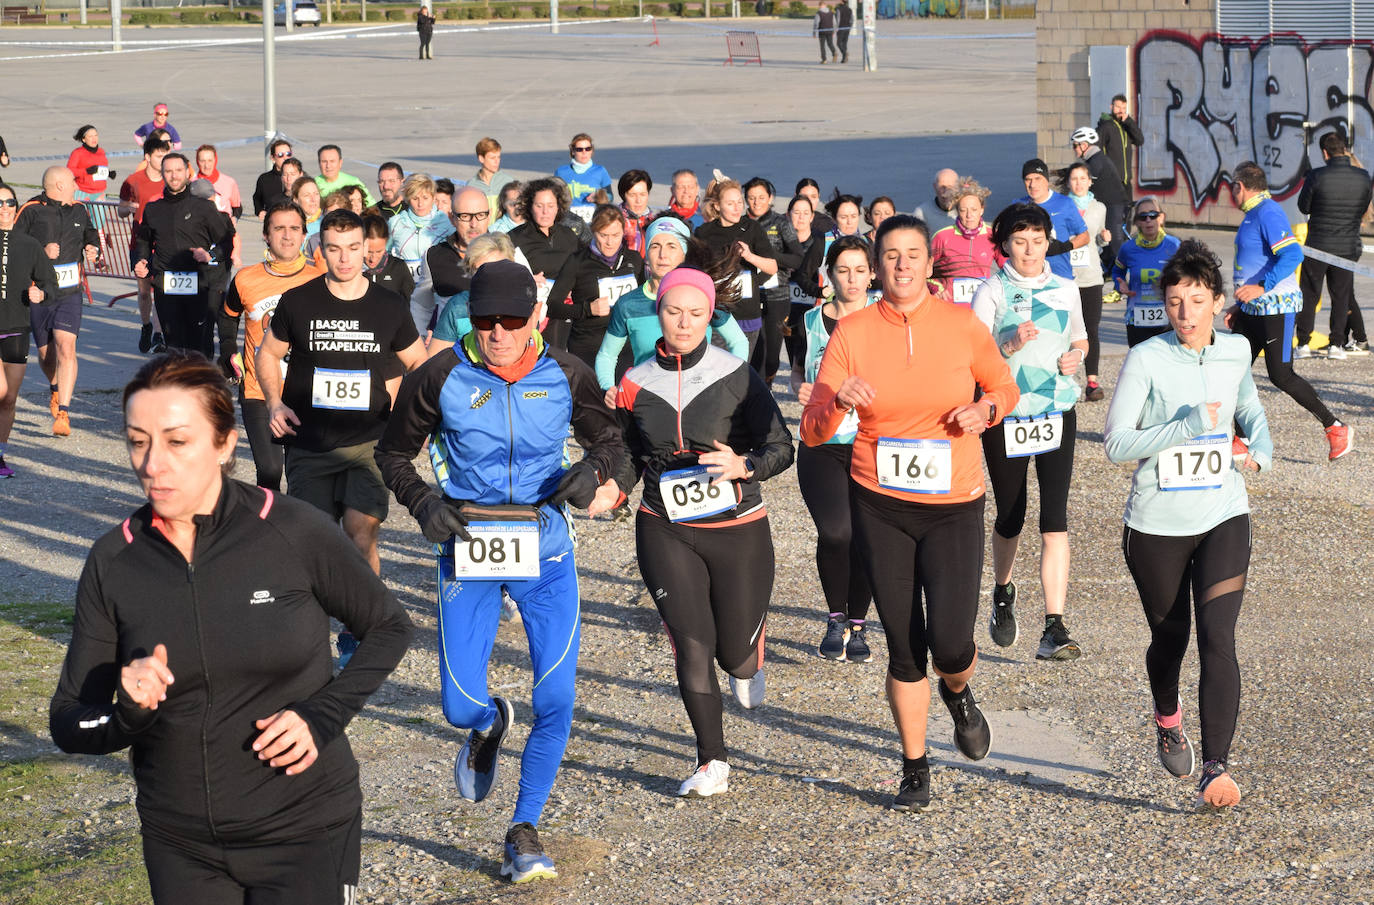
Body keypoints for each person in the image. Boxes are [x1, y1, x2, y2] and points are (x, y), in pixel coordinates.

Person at [49, 350, 413, 905]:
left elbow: (388, 626)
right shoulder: (113, 560)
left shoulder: (293, 531)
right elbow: (70, 722)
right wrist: (128, 708)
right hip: (180, 843)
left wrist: (320, 717)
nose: (152, 464)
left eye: (176, 441)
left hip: (306, 831)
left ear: (224, 445)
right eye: (137, 441)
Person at [375, 259, 625, 883]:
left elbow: (612, 441)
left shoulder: (567, 372)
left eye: (512, 320)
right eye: (485, 320)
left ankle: (524, 828)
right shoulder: (440, 374)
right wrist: (425, 501)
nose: (499, 333)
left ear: (535, 318)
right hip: (469, 545)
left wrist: (593, 473)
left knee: (557, 696)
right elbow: (392, 452)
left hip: (545, 551)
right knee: (459, 705)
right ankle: (488, 724)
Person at [800, 214, 1020, 811]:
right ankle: (915, 765)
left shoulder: (961, 324)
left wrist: (986, 413)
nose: (901, 265)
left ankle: (959, 692)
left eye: (912, 254)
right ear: (876, 266)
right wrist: (836, 402)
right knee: (903, 644)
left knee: (950, 644)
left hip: (953, 505)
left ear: (931, 262)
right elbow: (814, 428)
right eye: (890, 255)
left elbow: (1004, 386)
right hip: (880, 503)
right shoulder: (852, 333)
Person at [612, 265, 794, 797]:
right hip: (663, 524)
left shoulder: (737, 373)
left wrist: (745, 466)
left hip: (737, 526)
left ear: (711, 315)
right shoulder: (634, 381)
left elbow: (782, 448)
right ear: (659, 313)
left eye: (696, 313)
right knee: (692, 644)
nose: (684, 322)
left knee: (732, 653)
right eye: (674, 311)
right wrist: (614, 488)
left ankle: (749, 658)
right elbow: (627, 452)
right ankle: (712, 761)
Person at [1104, 238, 1271, 812]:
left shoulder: (1235, 350)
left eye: (1196, 300)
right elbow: (1117, 444)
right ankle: (1167, 716)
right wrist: (1188, 425)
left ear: (1217, 302)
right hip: (1156, 525)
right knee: (1171, 637)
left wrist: (1262, 448)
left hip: (1223, 512)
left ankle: (1217, 768)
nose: (1185, 312)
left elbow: (1247, 403)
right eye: (1175, 300)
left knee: (1218, 636)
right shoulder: (1147, 359)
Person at [257, 208, 426, 589]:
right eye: (334, 249)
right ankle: (313, 627)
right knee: (313, 541)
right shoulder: (298, 302)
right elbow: (267, 353)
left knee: (360, 531)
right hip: (309, 441)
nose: (345, 258)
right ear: (321, 250)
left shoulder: (389, 305)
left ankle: (359, 627)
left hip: (369, 440)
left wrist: (413, 416)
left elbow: (418, 362)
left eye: (353, 247)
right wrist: (273, 402)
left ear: (367, 247)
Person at [973, 202, 1089, 662]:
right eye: (1019, 241)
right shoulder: (992, 289)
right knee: (1011, 515)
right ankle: (1002, 591)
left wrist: (1076, 358)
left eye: (1037, 241)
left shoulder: (1065, 287)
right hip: (1007, 415)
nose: (1029, 250)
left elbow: (1080, 338)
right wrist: (1009, 343)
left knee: (1054, 519)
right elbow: (975, 356)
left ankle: (1054, 626)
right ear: (1004, 244)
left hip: (1057, 411)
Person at [1226, 161, 1351, 461]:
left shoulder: (1267, 211)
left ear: (1240, 186)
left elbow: (1292, 253)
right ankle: (1239, 440)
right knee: (1235, 370)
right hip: (1252, 309)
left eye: (1232, 186)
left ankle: (1335, 427)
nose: (1231, 192)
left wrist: (1261, 287)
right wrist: (1240, 303)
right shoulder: (1252, 214)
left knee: (1281, 376)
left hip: (1275, 309)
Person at [791, 236, 874, 661]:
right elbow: (795, 373)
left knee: (865, 536)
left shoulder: (884, 321)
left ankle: (858, 625)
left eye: (861, 270)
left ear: (872, 274)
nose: (852, 278)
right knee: (835, 531)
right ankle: (835, 617)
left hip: (872, 443)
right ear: (829, 274)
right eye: (844, 270)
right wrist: (799, 388)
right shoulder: (808, 321)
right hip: (821, 441)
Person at [218, 200, 326, 490]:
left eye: (294, 228)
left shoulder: (321, 280)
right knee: (269, 470)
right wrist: (228, 349)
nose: (287, 236)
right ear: (266, 235)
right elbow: (227, 316)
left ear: (304, 234)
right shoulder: (245, 278)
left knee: (304, 475)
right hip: (259, 390)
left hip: (307, 391)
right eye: (279, 228)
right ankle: (268, 528)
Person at [594, 216, 749, 394]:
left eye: (671, 246)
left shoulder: (701, 294)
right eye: (655, 246)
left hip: (697, 397)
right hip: (647, 399)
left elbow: (738, 341)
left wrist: (732, 383)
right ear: (646, 254)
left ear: (684, 253)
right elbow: (607, 355)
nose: (662, 255)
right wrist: (608, 388)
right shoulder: (628, 304)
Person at [17, 166, 101, 436]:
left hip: (69, 293)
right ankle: (55, 388)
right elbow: (14, 247)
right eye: (72, 182)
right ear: (60, 185)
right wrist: (40, 252)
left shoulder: (78, 209)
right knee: (46, 355)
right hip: (39, 294)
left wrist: (93, 247)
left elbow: (90, 232)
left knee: (67, 347)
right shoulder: (31, 210)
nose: (76, 186)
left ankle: (63, 413)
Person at [134, 153, 235, 353]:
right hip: (167, 284)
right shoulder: (153, 209)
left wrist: (210, 255)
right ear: (162, 174)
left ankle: (200, 382)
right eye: (168, 171)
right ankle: (179, 382)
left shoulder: (203, 207)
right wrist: (142, 260)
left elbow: (226, 241)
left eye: (178, 171)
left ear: (188, 172)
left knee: (199, 345)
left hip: (199, 283)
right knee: (173, 346)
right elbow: (144, 240)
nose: (174, 176)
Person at [1296, 131, 1373, 359]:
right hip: (1346, 246)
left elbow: (1304, 207)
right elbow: (1363, 208)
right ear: (1344, 149)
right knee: (1341, 295)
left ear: (1324, 152)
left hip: (1317, 245)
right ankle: (1336, 345)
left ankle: (1303, 343)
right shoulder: (1363, 177)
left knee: (1309, 293)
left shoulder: (1317, 176)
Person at [0, 183, 59, 477]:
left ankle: (0, 455)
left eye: (10, 203)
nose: (4, 209)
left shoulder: (29, 244)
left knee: (9, 398)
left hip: (16, 328)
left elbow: (50, 283)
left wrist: (42, 295)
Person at [546, 204, 644, 367]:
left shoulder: (633, 260)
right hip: (589, 346)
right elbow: (552, 306)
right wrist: (588, 309)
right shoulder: (577, 261)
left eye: (615, 235)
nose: (610, 242)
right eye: (603, 235)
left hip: (626, 346)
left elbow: (644, 298)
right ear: (593, 231)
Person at [695, 179, 778, 356]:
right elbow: (695, 271)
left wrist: (749, 256)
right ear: (717, 206)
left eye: (739, 202)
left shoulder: (752, 227)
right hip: (718, 313)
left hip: (748, 313)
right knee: (718, 368)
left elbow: (772, 267)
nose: (737, 208)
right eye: (730, 203)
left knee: (740, 369)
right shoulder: (704, 232)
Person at [509, 178, 581, 348]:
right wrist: (525, 278)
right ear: (529, 206)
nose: (545, 212)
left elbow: (582, 269)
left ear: (558, 207)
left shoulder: (569, 236)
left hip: (565, 309)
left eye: (550, 206)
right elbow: (502, 274)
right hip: (532, 309)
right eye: (539, 206)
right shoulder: (514, 238)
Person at [744, 177, 801, 385]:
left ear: (770, 198)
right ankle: (753, 393)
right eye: (751, 198)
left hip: (777, 295)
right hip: (747, 295)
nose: (757, 202)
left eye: (761, 197)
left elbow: (797, 257)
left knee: (771, 356)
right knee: (751, 352)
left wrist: (768, 256)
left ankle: (767, 385)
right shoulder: (742, 224)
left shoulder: (780, 222)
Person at [1059, 161, 1109, 399]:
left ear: (1090, 181)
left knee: (1091, 328)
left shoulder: (1099, 207)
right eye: (1074, 178)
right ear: (1068, 182)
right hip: (1064, 277)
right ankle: (1064, 380)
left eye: (1082, 178)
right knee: (1064, 330)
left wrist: (1104, 239)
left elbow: (1098, 240)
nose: (1078, 183)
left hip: (1090, 277)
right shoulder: (1060, 206)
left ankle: (1092, 382)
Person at [119, 136, 171, 354]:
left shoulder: (171, 180)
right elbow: (121, 211)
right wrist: (130, 207)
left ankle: (159, 336)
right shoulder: (133, 181)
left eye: (165, 155)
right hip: (139, 242)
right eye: (160, 156)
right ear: (148, 157)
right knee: (143, 292)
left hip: (163, 244)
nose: (164, 160)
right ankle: (146, 326)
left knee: (160, 289)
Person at [427, 231, 515, 356]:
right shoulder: (458, 307)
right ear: (470, 271)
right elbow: (433, 362)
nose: (487, 276)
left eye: (496, 267)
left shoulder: (523, 303)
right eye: (480, 269)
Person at [388, 173, 456, 334]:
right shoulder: (395, 222)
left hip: (436, 293)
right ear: (407, 198)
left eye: (425, 198)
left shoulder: (446, 224)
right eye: (415, 198)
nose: (420, 204)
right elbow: (383, 254)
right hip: (404, 292)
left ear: (433, 198)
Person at [1112, 196, 1180, 347]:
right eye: (1143, 217)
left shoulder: (1175, 246)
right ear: (1137, 222)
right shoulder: (1128, 249)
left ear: (1161, 218)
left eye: (1153, 215)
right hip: (1136, 319)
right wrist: (1120, 285)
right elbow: (1117, 272)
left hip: (1168, 318)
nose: (1148, 220)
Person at [1017, 158, 1089, 281]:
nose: (1032, 184)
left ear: (1046, 180)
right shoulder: (1018, 206)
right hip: (1028, 278)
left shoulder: (1065, 203)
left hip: (1060, 277)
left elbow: (1085, 237)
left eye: (1037, 179)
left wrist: (1063, 247)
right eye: (1028, 179)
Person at [1070, 126, 1129, 279]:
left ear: (1084, 145)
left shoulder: (1096, 161)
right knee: (1106, 241)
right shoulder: (1094, 159)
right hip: (1108, 204)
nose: (1074, 149)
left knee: (1114, 242)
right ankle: (1110, 272)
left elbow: (1083, 182)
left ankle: (1120, 278)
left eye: (1075, 145)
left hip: (1114, 205)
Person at [928, 177, 995, 305]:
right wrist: (936, 288)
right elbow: (924, 270)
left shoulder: (992, 235)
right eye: (963, 210)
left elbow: (1008, 268)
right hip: (950, 306)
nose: (969, 215)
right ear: (957, 211)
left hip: (982, 305)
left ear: (982, 210)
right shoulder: (942, 236)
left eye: (974, 210)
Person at [783, 194, 825, 369]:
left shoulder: (819, 240)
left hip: (811, 297)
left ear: (812, 216)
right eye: (796, 212)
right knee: (790, 343)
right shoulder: (780, 239)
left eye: (805, 213)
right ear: (788, 214)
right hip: (785, 299)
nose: (801, 217)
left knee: (809, 343)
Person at [1097, 93, 1144, 202]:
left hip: (1126, 181)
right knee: (1115, 214)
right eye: (1118, 107)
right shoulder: (1105, 126)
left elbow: (1140, 140)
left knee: (1127, 213)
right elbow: (1097, 150)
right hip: (1111, 181)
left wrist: (1129, 122)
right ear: (1111, 107)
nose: (1121, 111)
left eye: (1123, 108)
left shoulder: (1126, 126)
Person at [363, 214, 416, 310]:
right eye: (368, 252)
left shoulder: (398, 267)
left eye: (379, 251)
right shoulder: (351, 269)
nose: (373, 258)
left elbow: (412, 304)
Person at [67, 125, 112, 218]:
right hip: (82, 191)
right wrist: (86, 171)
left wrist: (109, 173)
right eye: (90, 136)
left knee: (99, 221)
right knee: (79, 220)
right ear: (83, 139)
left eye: (96, 135)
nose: (94, 139)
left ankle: (98, 233)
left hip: (99, 192)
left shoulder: (101, 151)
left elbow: (100, 170)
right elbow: (69, 171)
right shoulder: (77, 153)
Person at [554, 133, 612, 204]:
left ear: (592, 151)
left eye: (588, 149)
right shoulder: (561, 172)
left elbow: (610, 197)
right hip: (568, 214)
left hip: (595, 214)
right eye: (579, 149)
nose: (584, 152)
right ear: (573, 151)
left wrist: (599, 196)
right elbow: (553, 196)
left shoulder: (600, 171)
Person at [471, 138, 513, 217]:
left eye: (498, 157)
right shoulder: (471, 186)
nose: (497, 161)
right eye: (492, 158)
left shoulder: (509, 182)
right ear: (481, 158)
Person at [253, 138, 293, 218]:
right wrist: (260, 211)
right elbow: (257, 198)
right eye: (280, 155)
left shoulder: (301, 177)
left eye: (288, 154)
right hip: (273, 223)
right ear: (272, 158)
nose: (285, 158)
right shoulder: (264, 179)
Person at [617, 169, 654, 255]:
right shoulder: (615, 221)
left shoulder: (654, 221)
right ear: (623, 195)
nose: (638, 200)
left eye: (642, 194)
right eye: (632, 195)